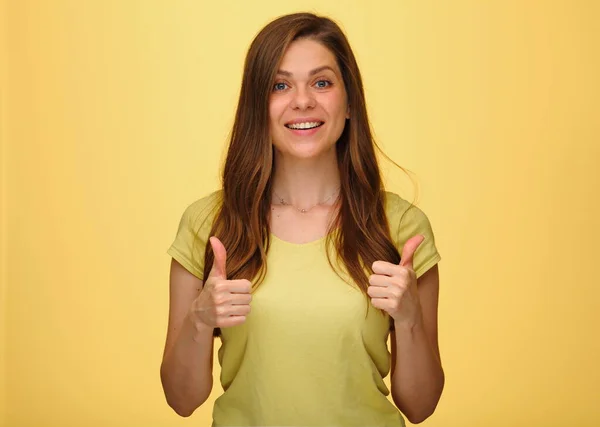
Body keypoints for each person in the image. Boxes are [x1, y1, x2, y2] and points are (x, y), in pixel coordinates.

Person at [160, 12, 444, 427]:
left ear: (349, 104)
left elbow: (421, 406)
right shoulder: (209, 224)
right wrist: (200, 320)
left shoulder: (401, 226)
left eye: (322, 82)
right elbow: (181, 399)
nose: (303, 101)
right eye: (280, 85)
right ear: (258, 107)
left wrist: (410, 317)